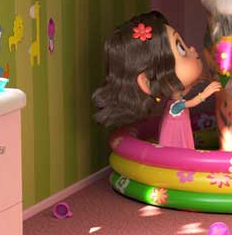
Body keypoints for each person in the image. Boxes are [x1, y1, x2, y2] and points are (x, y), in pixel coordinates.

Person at [92, 10, 221, 149]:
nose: (192, 48)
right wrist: (205, 93)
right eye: (181, 49)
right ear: (147, 82)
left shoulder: (176, 97)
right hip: (174, 139)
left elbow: (186, 89)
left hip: (181, 132)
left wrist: (201, 80)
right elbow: (190, 103)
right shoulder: (174, 106)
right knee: (177, 152)